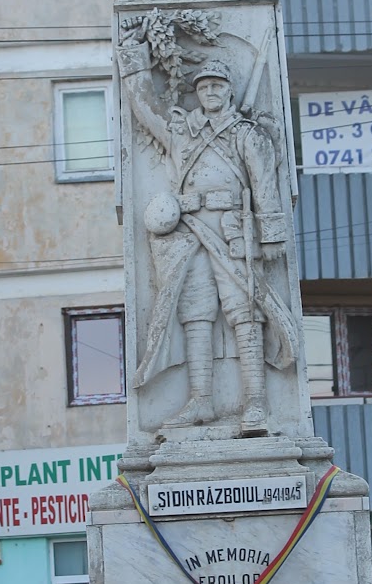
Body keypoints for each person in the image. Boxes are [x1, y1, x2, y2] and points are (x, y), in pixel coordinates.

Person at [120, 40, 297, 433]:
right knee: (195, 316)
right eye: (203, 87)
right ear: (196, 93)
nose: (211, 91)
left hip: (232, 231)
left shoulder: (246, 134)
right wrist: (133, 60)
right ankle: (201, 401)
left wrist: (270, 236)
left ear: (230, 90)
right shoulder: (183, 133)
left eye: (218, 85)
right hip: (190, 232)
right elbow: (145, 110)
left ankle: (256, 403)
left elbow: (264, 185)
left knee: (245, 315)